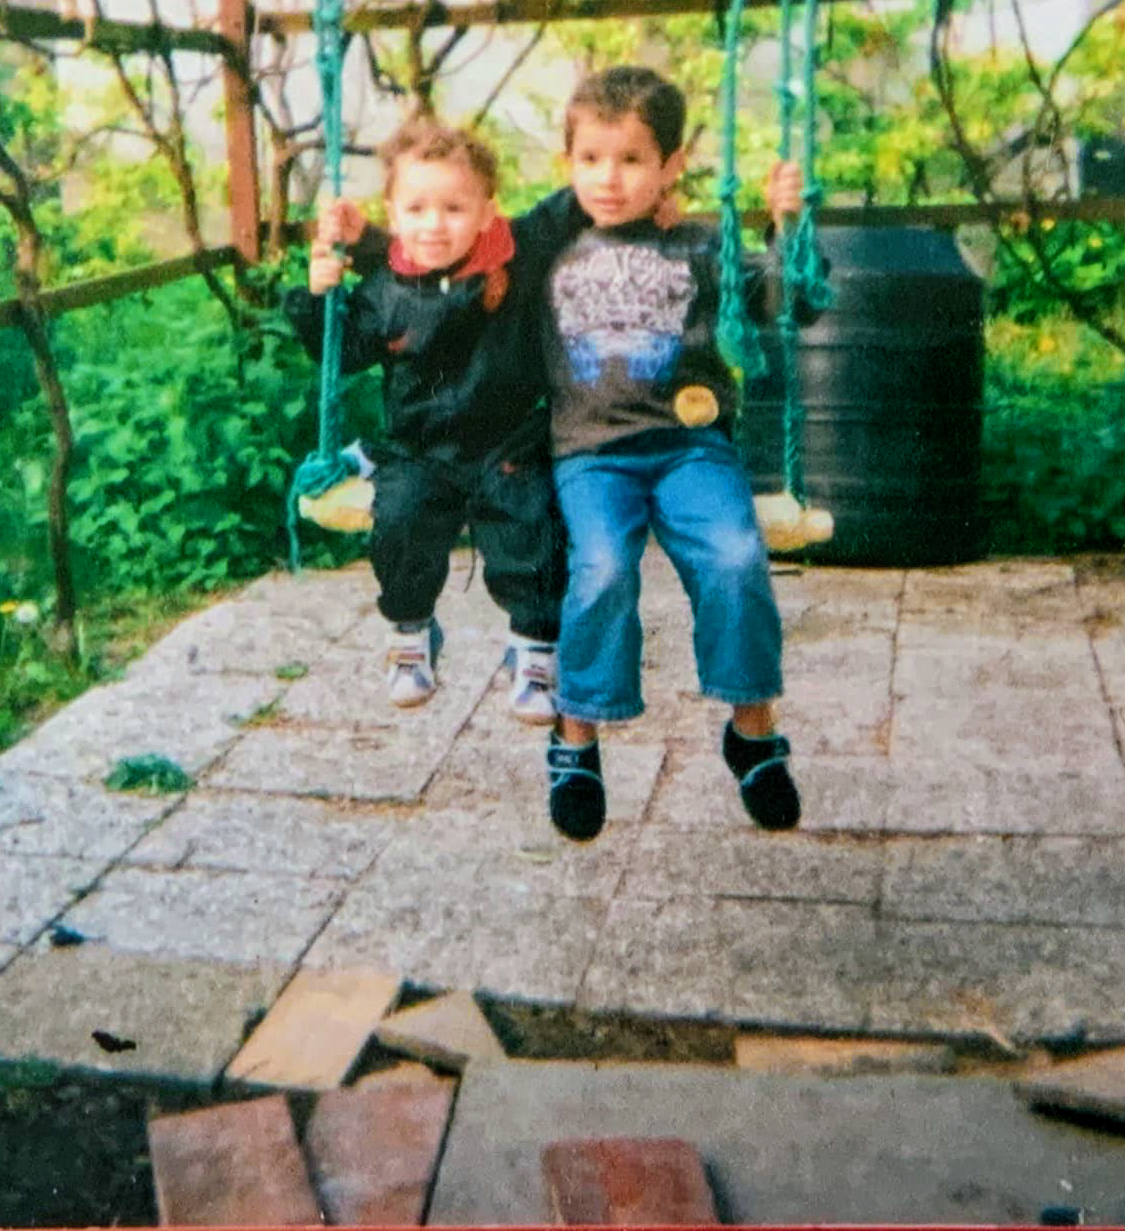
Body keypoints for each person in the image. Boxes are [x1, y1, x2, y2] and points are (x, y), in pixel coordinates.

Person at [536, 65, 811, 842]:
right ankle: (576, 735)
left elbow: (789, 301)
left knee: (736, 558)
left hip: (691, 447)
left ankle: (753, 732)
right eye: (591, 159)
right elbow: (450, 248)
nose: (609, 179)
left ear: (672, 165)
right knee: (602, 569)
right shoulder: (548, 249)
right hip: (592, 453)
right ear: (567, 163)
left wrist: (787, 229)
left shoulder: (702, 242)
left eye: (631, 160)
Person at [288, 116, 587, 720]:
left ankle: (533, 648)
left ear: (487, 211)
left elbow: (575, 202)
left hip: (508, 442)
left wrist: (646, 188)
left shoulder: (517, 254)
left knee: (533, 525)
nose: (434, 224)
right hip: (418, 448)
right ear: (392, 216)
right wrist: (320, 298)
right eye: (417, 209)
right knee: (400, 524)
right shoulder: (384, 287)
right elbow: (343, 353)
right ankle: (411, 633)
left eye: (454, 208)